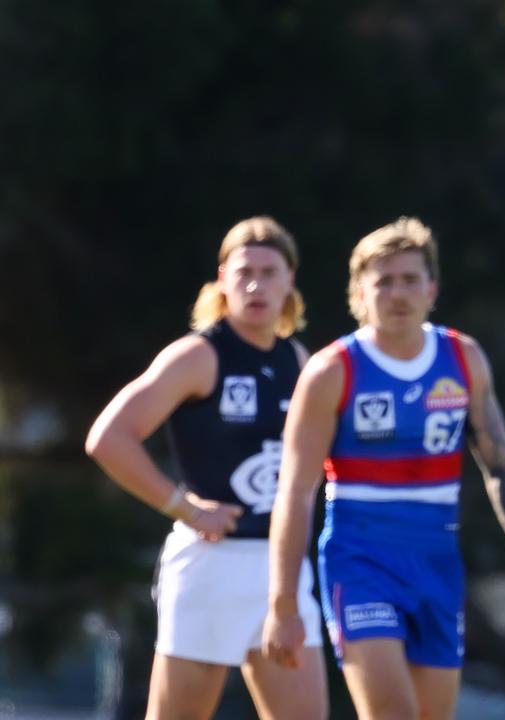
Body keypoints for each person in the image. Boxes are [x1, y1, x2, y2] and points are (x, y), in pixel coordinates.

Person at [263, 217, 505, 719]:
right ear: (359, 291)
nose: (397, 293)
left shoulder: (463, 359)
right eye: (384, 281)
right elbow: (295, 492)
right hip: (361, 562)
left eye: (410, 280)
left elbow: (502, 466)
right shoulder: (333, 372)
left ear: (432, 288)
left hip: (437, 561)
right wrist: (283, 602)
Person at [85, 217, 327, 720]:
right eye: (244, 272)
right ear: (222, 278)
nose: (256, 285)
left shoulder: (298, 360)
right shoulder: (198, 356)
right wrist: (186, 508)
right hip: (211, 567)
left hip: (282, 573)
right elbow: (108, 439)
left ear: (290, 280)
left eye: (269, 271)